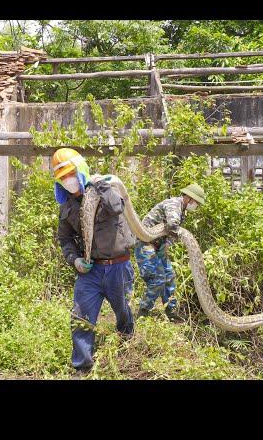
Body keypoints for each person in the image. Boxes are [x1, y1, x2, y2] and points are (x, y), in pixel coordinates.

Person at [53, 148, 136, 373]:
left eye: (70, 174)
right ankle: (82, 367)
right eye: (63, 178)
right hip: (90, 271)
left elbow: (117, 207)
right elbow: (65, 239)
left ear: (80, 171)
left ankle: (127, 347)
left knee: (123, 311)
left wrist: (101, 186)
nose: (67, 181)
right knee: (81, 316)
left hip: (118, 266)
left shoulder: (103, 190)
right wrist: (75, 260)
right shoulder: (68, 206)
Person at [134, 183, 205, 322]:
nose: (196, 206)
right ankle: (142, 313)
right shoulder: (174, 204)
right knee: (158, 278)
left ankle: (171, 312)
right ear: (189, 198)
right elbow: (173, 224)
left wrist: (167, 245)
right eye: (196, 202)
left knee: (169, 276)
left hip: (158, 246)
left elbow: (171, 233)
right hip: (145, 244)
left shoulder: (182, 209)